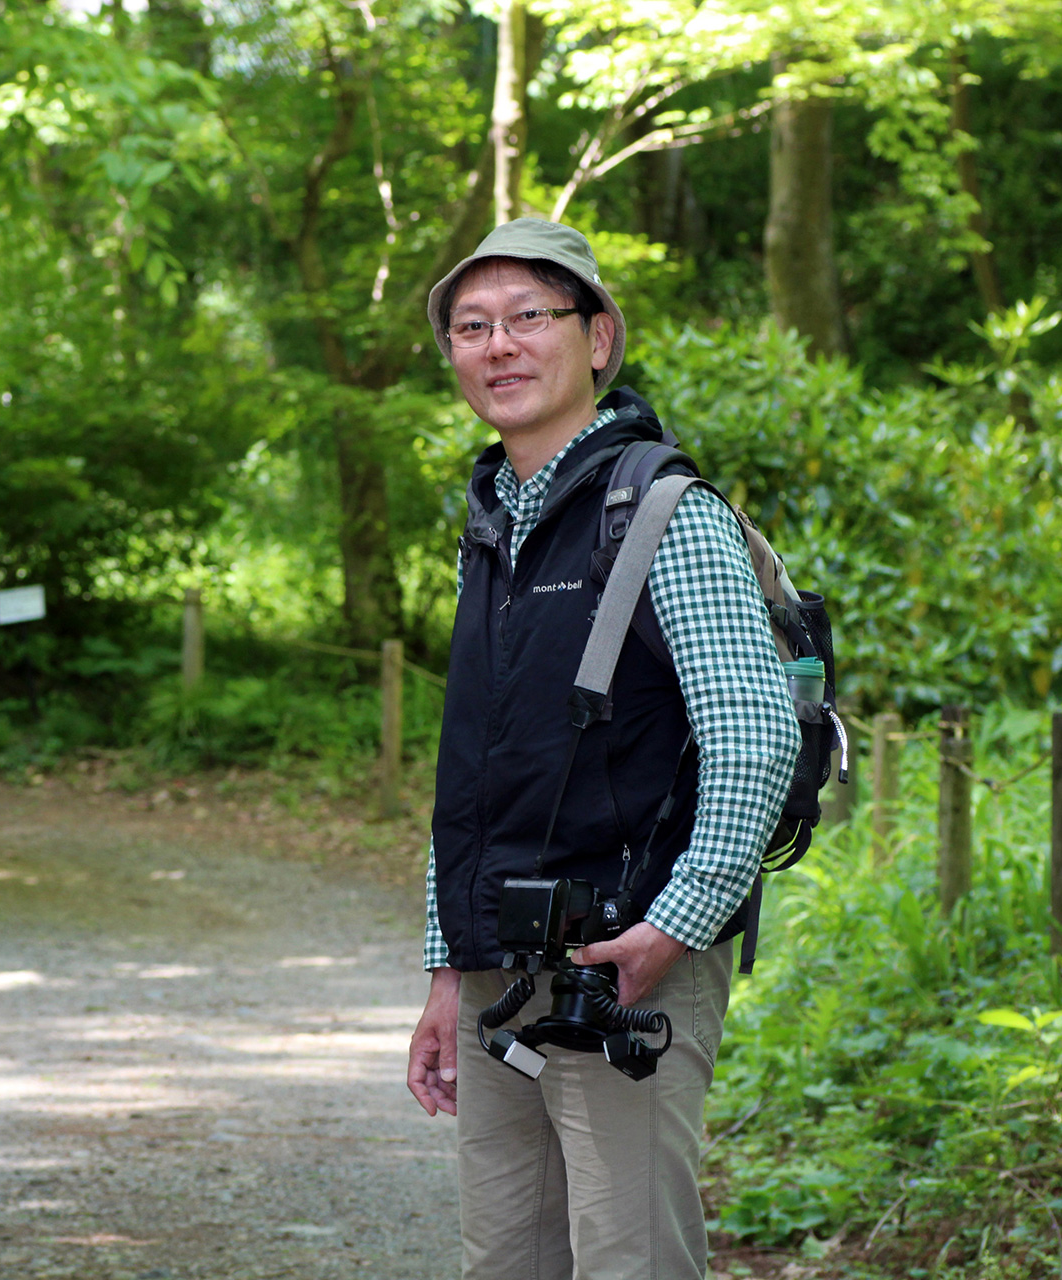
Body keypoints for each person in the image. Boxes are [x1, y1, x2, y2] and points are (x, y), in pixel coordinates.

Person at [402, 218, 801, 1280]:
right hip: (501, 970)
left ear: (600, 337)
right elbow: (473, 776)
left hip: (627, 967)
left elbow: (754, 738)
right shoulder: (490, 522)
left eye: (530, 315)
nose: (499, 345)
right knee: (507, 1261)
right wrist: (448, 967)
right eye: (472, 326)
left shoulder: (666, 512)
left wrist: (676, 926)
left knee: (633, 1262)